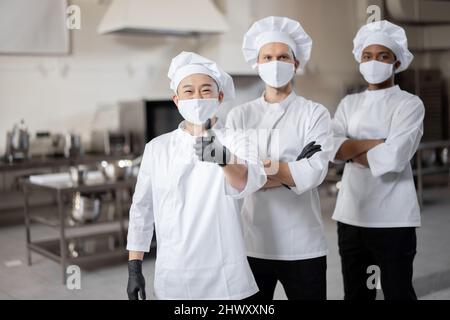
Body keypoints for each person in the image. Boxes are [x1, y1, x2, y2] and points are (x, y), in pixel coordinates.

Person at [126, 51, 267, 300]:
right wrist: (134, 266)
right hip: (174, 275)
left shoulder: (237, 141)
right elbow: (142, 209)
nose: (197, 98)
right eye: (188, 91)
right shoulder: (157, 148)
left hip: (225, 276)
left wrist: (223, 160)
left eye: (205, 90)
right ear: (176, 99)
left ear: (220, 96)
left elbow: (248, 181)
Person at [226, 16, 332, 300]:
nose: (275, 63)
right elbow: (233, 180)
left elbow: (314, 173)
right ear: (257, 63)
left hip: (303, 244)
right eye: (268, 57)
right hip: (252, 244)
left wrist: (254, 172)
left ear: (296, 63)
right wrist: (290, 168)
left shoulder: (315, 113)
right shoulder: (239, 115)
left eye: (283, 56)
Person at [331, 20, 425, 300]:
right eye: (367, 56)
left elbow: (394, 157)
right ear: (359, 60)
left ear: (396, 62)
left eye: (383, 56)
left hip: (393, 218)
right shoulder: (349, 104)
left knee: (398, 292)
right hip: (351, 215)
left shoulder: (409, 104)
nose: (374, 62)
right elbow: (332, 150)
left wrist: (351, 150)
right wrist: (377, 144)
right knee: (357, 294)